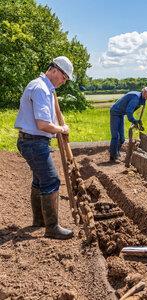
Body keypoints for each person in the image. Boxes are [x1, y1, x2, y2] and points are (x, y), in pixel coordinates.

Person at [14, 56, 74, 240]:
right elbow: (42, 124)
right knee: (51, 180)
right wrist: (61, 129)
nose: (64, 82)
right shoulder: (40, 88)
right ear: (54, 70)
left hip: (34, 141)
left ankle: (39, 221)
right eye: (63, 77)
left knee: (40, 181)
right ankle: (52, 227)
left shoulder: (46, 89)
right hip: (34, 141)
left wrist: (57, 127)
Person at [109, 85, 147, 162]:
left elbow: (139, 110)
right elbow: (129, 111)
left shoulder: (142, 99)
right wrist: (134, 121)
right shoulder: (136, 97)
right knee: (116, 136)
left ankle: (115, 152)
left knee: (122, 138)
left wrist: (139, 121)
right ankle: (113, 156)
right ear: (145, 91)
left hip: (121, 114)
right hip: (115, 112)